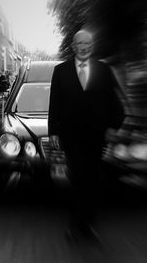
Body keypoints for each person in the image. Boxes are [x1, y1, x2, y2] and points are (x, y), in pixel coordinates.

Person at [48, 27, 125, 242]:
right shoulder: (60, 71)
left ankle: (87, 225)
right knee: (79, 179)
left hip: (96, 136)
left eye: (87, 44)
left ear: (92, 47)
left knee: (93, 181)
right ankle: (76, 227)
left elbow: (116, 104)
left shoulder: (104, 70)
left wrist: (113, 127)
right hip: (71, 136)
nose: (83, 48)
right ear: (73, 47)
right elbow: (54, 103)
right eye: (79, 44)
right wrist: (53, 131)